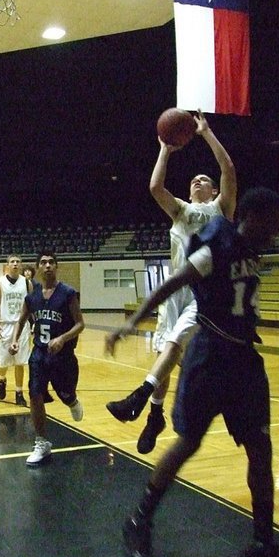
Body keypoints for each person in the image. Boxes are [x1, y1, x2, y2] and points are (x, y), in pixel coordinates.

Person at [105, 187, 279, 557]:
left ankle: (263, 542)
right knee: (188, 443)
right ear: (252, 217)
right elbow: (169, 285)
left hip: (245, 360)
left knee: (261, 449)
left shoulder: (252, 248)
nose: (278, 230)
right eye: (273, 221)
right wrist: (132, 322)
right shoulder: (215, 246)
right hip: (210, 356)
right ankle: (139, 521)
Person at [106, 110, 237, 455]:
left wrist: (206, 133)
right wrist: (165, 148)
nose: (198, 181)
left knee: (176, 342)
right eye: (194, 179)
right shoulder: (179, 209)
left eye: (203, 180)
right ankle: (155, 415)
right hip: (175, 292)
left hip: (204, 292)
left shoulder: (221, 209)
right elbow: (154, 187)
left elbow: (228, 170)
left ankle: (140, 395)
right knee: (168, 349)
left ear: (211, 190)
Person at [11, 251, 85, 466]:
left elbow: (80, 324)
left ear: (56, 267)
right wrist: (15, 340)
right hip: (40, 354)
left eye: (52, 262)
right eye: (43, 262)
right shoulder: (32, 297)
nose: (48, 266)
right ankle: (42, 442)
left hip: (63, 357)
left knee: (65, 394)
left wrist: (62, 338)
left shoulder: (68, 293)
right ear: (38, 268)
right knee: (35, 394)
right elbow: (21, 319)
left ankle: (71, 400)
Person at [0, 255, 32, 407]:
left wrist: (34, 323)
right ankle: (2, 379)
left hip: (21, 325)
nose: (15, 264)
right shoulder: (0, 283)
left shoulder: (27, 283)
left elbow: (31, 304)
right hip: (5, 325)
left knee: (20, 361)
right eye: (12, 262)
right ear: (7, 265)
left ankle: (19, 392)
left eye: (18, 262)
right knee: (3, 362)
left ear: (21, 265)